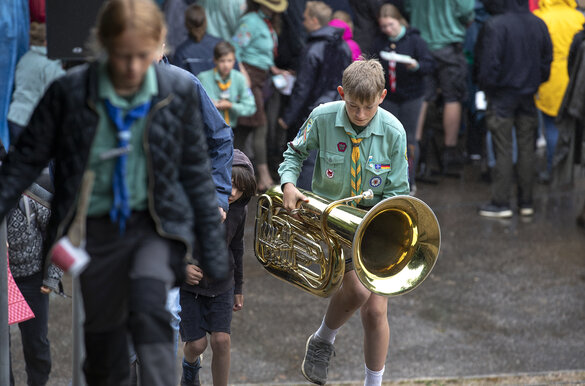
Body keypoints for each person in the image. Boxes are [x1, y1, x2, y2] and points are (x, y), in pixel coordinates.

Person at [0, 0, 229, 384]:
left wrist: (215, 205)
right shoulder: (71, 92)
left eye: (142, 54)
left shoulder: (182, 87)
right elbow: (30, 161)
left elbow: (211, 146)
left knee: (156, 320)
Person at [278, 59, 409, 386]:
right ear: (342, 93)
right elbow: (294, 153)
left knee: (377, 312)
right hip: (332, 219)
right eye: (353, 105)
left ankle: (373, 383)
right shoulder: (322, 116)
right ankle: (323, 339)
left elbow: (398, 192)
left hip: (373, 223)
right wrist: (289, 185)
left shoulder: (394, 131)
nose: (360, 114)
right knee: (357, 292)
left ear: (382, 95)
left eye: (368, 106)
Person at [179, 148, 255, 386]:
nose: (233, 192)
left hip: (222, 283)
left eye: (240, 188)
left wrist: (238, 287)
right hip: (189, 287)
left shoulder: (239, 210)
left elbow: (237, 248)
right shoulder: (190, 202)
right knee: (197, 344)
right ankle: (190, 367)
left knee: (222, 341)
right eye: (229, 183)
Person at [475, 0, 552, 218]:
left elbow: (489, 64)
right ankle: (526, 202)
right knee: (528, 148)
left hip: (501, 96)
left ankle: (501, 203)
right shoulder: (538, 23)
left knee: (503, 149)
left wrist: (487, 88)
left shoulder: (495, 24)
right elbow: (547, 61)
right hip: (528, 95)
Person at [277, 1, 352, 190]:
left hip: (314, 113)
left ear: (314, 20)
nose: (302, 22)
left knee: (308, 161)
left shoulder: (312, 50)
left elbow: (303, 88)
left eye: (304, 18)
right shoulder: (342, 46)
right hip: (340, 110)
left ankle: (303, 205)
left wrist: (288, 117)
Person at [404, 0, 475, 174]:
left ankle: (417, 151)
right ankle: (449, 153)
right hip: (449, 45)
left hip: (421, 44)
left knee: (423, 97)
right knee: (453, 98)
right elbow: (467, 11)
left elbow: (407, 7)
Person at [374, 3, 435, 195]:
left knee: (409, 139)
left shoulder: (415, 40)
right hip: (389, 97)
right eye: (383, 26)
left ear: (399, 21)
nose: (387, 30)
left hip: (412, 96)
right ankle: (385, 180)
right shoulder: (380, 41)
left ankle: (410, 180)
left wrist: (415, 65)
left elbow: (429, 65)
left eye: (390, 25)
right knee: (386, 139)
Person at [232, 0, 289, 192]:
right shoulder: (250, 20)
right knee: (260, 125)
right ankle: (262, 176)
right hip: (249, 76)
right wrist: (243, 75)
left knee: (244, 128)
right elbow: (235, 50)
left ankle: (236, 174)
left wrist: (274, 69)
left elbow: (263, 53)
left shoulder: (267, 22)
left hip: (263, 77)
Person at [533, 0, 585, 183]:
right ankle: (563, 169)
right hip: (573, 77)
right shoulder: (579, 17)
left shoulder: (540, 18)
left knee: (549, 126)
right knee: (567, 127)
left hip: (546, 78)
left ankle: (551, 170)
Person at [7, 21, 66, 144]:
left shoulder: (26, 57)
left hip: (14, 117)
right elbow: (60, 94)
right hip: (32, 120)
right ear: (46, 42)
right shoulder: (50, 65)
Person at [198, 41, 257, 128]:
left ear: (234, 60)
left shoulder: (240, 78)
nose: (226, 65)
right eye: (222, 61)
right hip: (207, 128)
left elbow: (250, 107)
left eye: (230, 61)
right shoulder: (202, 78)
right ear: (215, 60)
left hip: (232, 128)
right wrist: (209, 105)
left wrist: (231, 105)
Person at [172, 4, 223, 78]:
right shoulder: (220, 45)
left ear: (186, 24)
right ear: (205, 22)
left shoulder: (181, 52)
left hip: (193, 89)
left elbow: (178, 82)